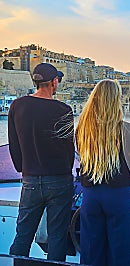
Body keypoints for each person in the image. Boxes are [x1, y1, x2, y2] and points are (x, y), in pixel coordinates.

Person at [8, 63, 75, 261]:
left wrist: (24, 168)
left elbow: (14, 144)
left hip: (30, 180)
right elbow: (68, 149)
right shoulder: (64, 109)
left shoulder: (17, 106)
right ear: (54, 82)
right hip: (59, 180)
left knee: (23, 235)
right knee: (57, 237)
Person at [76, 79, 130, 266]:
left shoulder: (82, 129)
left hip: (90, 196)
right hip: (117, 195)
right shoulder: (126, 129)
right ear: (116, 100)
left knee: (91, 250)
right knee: (120, 251)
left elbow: (81, 153)